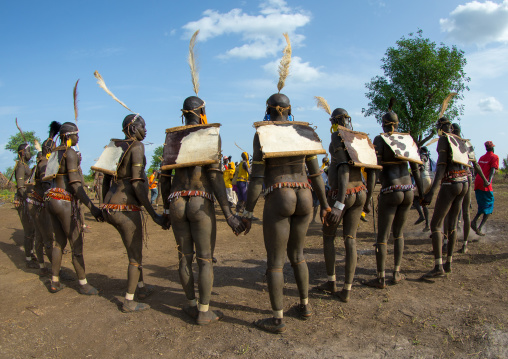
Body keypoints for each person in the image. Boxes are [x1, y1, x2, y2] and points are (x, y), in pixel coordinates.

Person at [100, 115, 168, 312]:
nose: (145, 130)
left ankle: (141, 287)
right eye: (142, 126)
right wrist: (153, 214)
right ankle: (129, 301)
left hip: (111, 206)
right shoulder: (137, 146)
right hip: (126, 208)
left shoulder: (113, 146)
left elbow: (106, 179)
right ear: (132, 127)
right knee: (135, 256)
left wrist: (102, 205)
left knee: (134, 250)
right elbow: (137, 184)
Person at [315, 106, 376, 301]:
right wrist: (369, 196)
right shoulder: (359, 138)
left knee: (329, 236)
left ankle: (332, 282)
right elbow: (372, 169)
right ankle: (347, 289)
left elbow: (343, 169)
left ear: (334, 122)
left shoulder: (338, 137)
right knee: (350, 239)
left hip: (343, 194)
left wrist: (339, 203)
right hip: (361, 192)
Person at [363, 103, 423, 289]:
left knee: (382, 237)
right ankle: (396, 272)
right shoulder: (407, 139)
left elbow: (374, 171)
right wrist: (421, 192)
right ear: (396, 124)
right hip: (408, 191)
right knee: (399, 235)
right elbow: (415, 168)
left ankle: (380, 278)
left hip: (391, 190)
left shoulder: (380, 140)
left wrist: (368, 198)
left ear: (383, 124)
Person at [44, 122, 104, 294]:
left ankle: (54, 281)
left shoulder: (54, 153)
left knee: (59, 242)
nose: (78, 138)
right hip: (64, 200)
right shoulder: (69, 152)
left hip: (51, 199)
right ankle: (83, 284)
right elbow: (76, 185)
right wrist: (92, 207)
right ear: (69, 136)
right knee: (76, 243)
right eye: (76, 135)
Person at [421, 117, 469, 278]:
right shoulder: (459, 139)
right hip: (464, 183)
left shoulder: (444, 139)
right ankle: (448, 262)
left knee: (436, 224)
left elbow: (441, 166)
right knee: (453, 224)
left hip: (450, 183)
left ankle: (438, 266)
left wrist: (432, 191)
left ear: (441, 127)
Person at [28, 121, 61, 276]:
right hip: (40, 205)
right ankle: (56, 272)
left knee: (41, 237)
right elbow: (47, 188)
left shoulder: (44, 162)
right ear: (49, 149)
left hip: (35, 204)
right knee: (47, 238)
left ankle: (42, 266)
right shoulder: (44, 164)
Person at [13, 142, 37, 268]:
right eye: (28, 151)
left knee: (32, 229)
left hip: (27, 200)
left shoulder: (24, 165)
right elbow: (21, 187)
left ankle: (31, 253)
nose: (30, 153)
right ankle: (28, 259)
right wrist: (28, 199)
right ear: (22, 152)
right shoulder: (20, 166)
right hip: (23, 201)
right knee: (28, 230)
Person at [471, 141, 499, 237]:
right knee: (489, 206)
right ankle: (477, 225)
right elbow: (492, 170)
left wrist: (475, 179)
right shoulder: (494, 157)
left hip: (478, 183)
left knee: (482, 204)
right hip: (485, 183)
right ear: (492, 148)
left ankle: (475, 223)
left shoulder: (482, 157)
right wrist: (488, 181)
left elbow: (476, 170)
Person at [413, 146, 433, 232]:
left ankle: (421, 215)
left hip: (423, 179)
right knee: (423, 202)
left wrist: (415, 170)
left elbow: (421, 166)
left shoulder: (422, 156)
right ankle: (427, 225)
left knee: (415, 199)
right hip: (430, 179)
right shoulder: (429, 158)